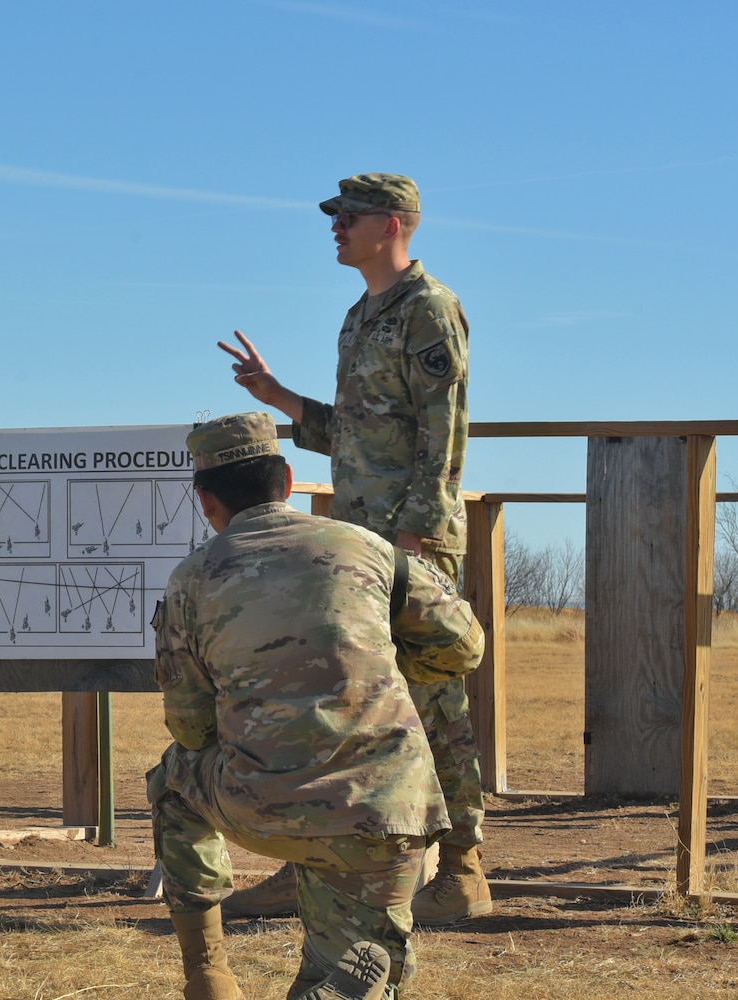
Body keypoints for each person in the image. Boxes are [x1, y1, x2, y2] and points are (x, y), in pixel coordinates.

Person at [216, 172, 489, 925]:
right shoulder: (359, 316)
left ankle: (463, 868)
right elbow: (358, 430)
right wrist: (278, 398)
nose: (335, 227)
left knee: (434, 701)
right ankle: (315, 866)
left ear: (394, 224)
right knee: (343, 701)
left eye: (349, 216)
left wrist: (417, 534)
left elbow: (445, 432)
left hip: (407, 543)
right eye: (334, 217)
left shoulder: (430, 310)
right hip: (357, 545)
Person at [151, 413, 484, 1000]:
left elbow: (191, 726)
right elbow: (465, 645)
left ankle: (209, 976)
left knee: (173, 782)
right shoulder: (368, 550)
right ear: (286, 479)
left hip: (263, 804)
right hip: (383, 812)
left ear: (205, 502)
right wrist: (388, 673)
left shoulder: (192, 580)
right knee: (345, 968)